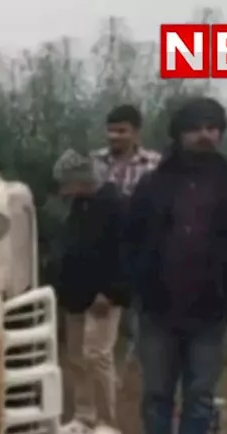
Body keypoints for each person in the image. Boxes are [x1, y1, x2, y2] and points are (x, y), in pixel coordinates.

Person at [125, 97, 227, 434]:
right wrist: (137, 285)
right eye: (197, 127)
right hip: (158, 307)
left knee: (200, 392)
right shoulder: (153, 184)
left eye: (213, 127)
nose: (206, 135)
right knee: (156, 391)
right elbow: (131, 239)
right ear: (179, 133)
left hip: (211, 308)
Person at [51, 150, 129, 434]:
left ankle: (109, 423)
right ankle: (84, 416)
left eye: (66, 183)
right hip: (75, 294)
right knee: (76, 357)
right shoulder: (80, 206)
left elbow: (123, 255)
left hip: (102, 297)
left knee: (98, 355)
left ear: (81, 180)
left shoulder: (115, 205)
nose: (62, 190)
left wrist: (110, 293)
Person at [93, 105, 162, 372]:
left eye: (121, 131)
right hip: (106, 255)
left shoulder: (155, 164)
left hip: (143, 252)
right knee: (100, 339)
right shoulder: (94, 162)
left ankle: (145, 381)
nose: (114, 137)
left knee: (144, 325)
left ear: (136, 133)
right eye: (110, 131)